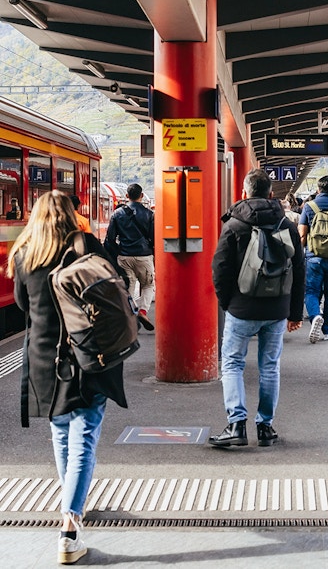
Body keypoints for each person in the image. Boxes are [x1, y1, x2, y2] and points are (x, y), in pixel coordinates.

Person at [7, 190, 127, 565]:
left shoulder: (25, 254)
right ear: (71, 215)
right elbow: (116, 284)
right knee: (85, 438)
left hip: (44, 357)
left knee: (61, 434)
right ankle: (69, 528)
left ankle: (71, 504)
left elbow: (23, 305)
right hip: (88, 354)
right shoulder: (85, 244)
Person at [209, 168, 305, 448]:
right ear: (271, 194)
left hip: (241, 308)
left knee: (233, 364)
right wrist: (295, 312)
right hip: (276, 310)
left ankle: (236, 425)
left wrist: (229, 303)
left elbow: (220, 268)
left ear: (244, 193)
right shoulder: (286, 225)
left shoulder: (235, 225)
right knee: (270, 367)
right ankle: (265, 427)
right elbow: (299, 270)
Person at [104, 183, 155, 331]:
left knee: (128, 287)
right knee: (148, 285)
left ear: (127, 196)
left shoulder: (117, 214)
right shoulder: (149, 214)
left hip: (124, 257)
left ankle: (130, 314)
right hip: (144, 256)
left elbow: (109, 239)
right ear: (141, 196)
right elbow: (153, 238)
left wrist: (117, 253)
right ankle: (143, 311)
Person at [298, 175, 328, 342]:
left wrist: (300, 256)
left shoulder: (309, 206)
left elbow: (302, 234)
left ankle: (315, 316)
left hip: (313, 256)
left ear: (318, 189)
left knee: (311, 291)